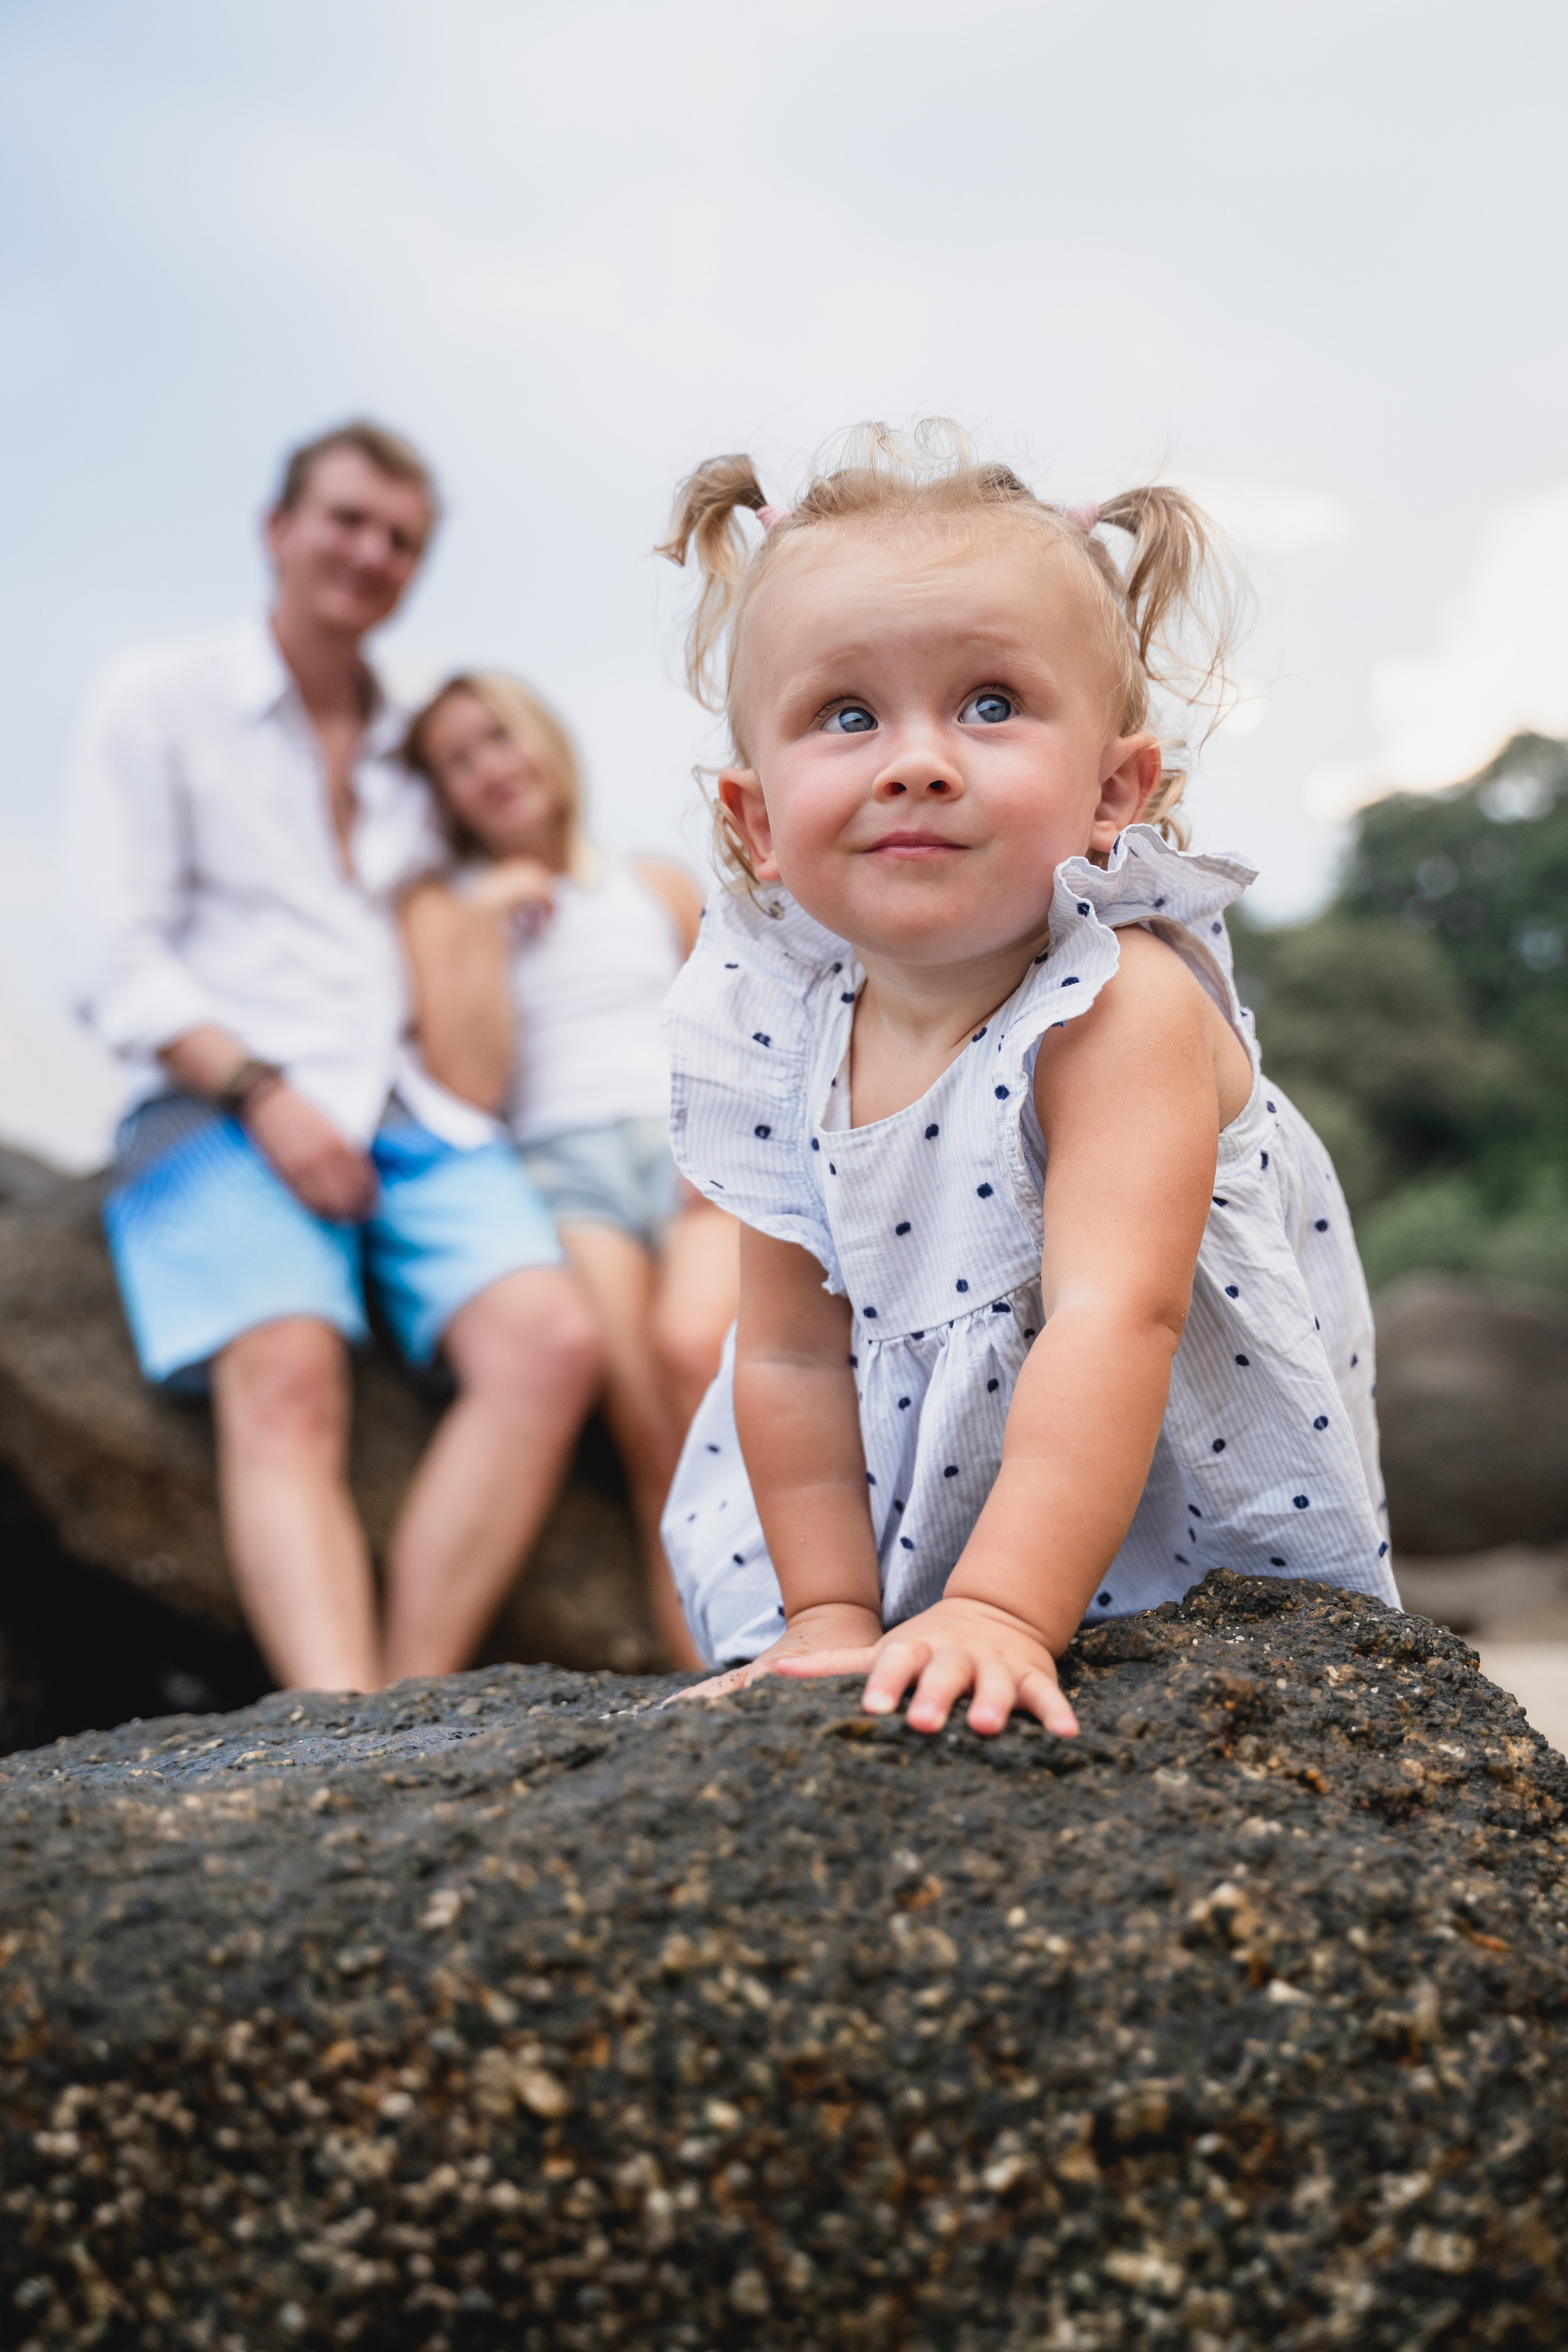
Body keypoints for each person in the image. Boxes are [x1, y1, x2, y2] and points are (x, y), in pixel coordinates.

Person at [652, 425, 1398, 1738]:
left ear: (1114, 788)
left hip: (1157, 1525)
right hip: (894, 1525)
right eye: (845, 715)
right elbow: (782, 1352)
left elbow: (1114, 1322)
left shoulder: (1118, 1007)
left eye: (989, 704)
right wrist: (828, 1613)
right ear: (755, 821)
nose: (918, 758)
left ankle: (1000, 1607)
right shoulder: (771, 1033)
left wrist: (1001, 1608)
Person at [68, 421, 603, 1695]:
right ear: (278, 528)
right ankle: (334, 1713)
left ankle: (404, 1718)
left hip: (410, 1107)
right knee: (291, 1369)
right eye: (348, 521)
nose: (371, 554)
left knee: (550, 1343)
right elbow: (113, 959)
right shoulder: (158, 696)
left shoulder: (421, 739)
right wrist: (261, 1092)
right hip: (222, 1099)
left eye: (401, 540)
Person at [399, 671, 739, 1672]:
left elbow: (736, 1025)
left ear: (541, 737)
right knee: (650, 1435)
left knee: (704, 1361)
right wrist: (486, 921)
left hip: (684, 1150)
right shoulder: (444, 905)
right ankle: (708, 1674)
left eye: (497, 739)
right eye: (458, 763)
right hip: (561, 1166)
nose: (489, 770)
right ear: (443, 797)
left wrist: (718, 1143)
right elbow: (468, 1080)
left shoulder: (654, 881)